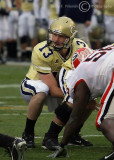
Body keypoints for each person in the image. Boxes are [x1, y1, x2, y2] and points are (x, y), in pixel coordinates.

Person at [20, 16, 90, 148]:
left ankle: (74, 134)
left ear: (71, 38)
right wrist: (77, 97)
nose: (56, 40)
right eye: (53, 35)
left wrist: (84, 97)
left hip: (61, 87)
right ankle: (28, 133)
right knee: (42, 91)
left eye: (61, 36)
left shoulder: (81, 48)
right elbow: (52, 88)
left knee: (87, 96)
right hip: (33, 84)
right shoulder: (42, 51)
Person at [48, 44, 114, 160]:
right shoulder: (101, 54)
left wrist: (62, 145)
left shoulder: (80, 74)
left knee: (104, 121)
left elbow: (75, 118)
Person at [42, 48, 94, 151]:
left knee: (90, 103)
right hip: (73, 70)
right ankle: (50, 136)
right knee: (72, 101)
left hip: (93, 72)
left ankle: (73, 135)